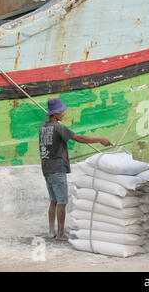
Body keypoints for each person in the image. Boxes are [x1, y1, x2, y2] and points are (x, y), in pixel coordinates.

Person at [39, 98, 113, 241]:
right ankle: (60, 234)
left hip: (46, 168)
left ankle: (50, 231)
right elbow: (78, 138)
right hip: (57, 168)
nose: (64, 113)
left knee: (53, 200)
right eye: (62, 111)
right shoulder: (58, 127)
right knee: (62, 201)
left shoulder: (43, 127)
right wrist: (99, 140)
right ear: (55, 114)